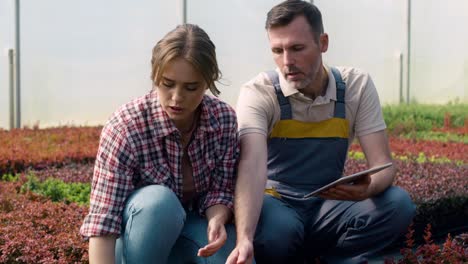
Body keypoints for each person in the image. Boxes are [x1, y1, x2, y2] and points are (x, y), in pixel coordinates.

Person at [226, 1, 415, 263]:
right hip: (276, 204)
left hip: (328, 205)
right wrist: (244, 238)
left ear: (323, 43)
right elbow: (251, 166)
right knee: (276, 233)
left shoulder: (355, 86)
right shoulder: (258, 93)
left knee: (398, 204)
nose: (287, 62)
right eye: (277, 51)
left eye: (297, 48)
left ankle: (333, 259)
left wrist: (367, 190)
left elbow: (384, 166)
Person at [80, 24, 239, 264]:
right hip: (137, 241)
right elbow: (104, 221)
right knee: (159, 203)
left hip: (195, 226)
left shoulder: (223, 119)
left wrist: (217, 218)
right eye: (167, 83)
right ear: (155, 76)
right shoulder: (126, 127)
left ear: (208, 81)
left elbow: (220, 190)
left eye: (191, 87)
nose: (176, 97)